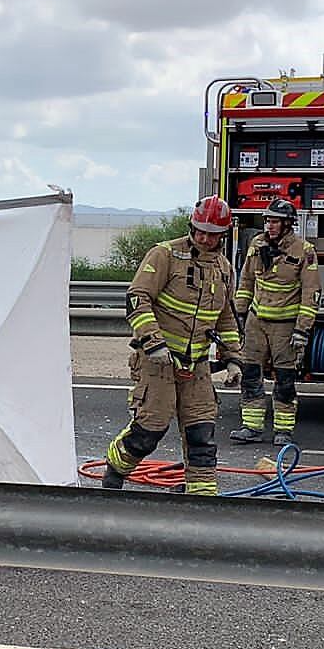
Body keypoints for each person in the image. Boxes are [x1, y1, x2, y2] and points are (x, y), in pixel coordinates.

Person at [102, 196, 240, 496]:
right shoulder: (165, 255)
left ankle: (202, 498)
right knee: (149, 431)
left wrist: (233, 359)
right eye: (200, 230)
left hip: (197, 366)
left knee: (202, 433)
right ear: (191, 225)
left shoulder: (224, 268)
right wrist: (154, 343)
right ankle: (113, 473)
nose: (204, 238)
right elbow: (137, 298)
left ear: (223, 234)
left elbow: (226, 317)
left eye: (212, 233)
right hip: (157, 361)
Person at [230, 198, 319, 445]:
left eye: (275, 222)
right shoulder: (256, 244)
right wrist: (240, 314)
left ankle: (283, 431)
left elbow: (310, 294)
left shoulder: (304, 251)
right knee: (250, 374)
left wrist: (302, 329)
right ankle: (252, 427)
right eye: (268, 220)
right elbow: (247, 280)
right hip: (256, 322)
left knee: (285, 379)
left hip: (285, 327)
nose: (269, 226)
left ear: (288, 224)